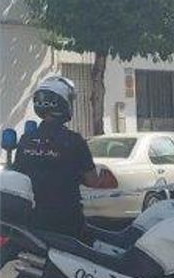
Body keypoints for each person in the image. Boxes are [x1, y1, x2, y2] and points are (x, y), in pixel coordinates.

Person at [11, 74, 115, 241]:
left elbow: (18, 175)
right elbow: (92, 180)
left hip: (34, 220)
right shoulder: (74, 141)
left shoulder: (26, 140)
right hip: (67, 221)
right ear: (63, 103)